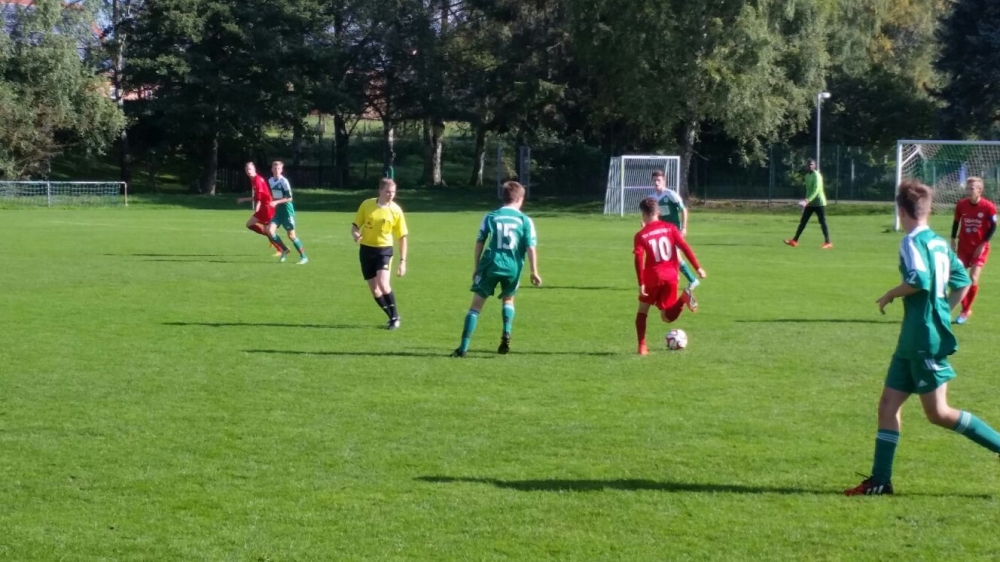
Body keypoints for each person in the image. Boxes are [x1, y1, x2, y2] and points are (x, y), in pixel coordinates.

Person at [845, 180, 1000, 496]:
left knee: (939, 413)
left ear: (901, 212)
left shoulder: (911, 241)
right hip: (911, 339)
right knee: (888, 404)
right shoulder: (939, 243)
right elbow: (963, 281)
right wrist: (942, 311)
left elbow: (919, 279)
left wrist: (891, 293)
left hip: (923, 339)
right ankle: (880, 480)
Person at [450, 181, 541, 357]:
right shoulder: (525, 220)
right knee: (508, 300)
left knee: (476, 306)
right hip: (513, 266)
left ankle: (463, 348)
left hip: (491, 264)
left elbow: (480, 242)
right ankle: (506, 331)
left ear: (503, 197)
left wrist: (476, 266)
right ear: (520, 199)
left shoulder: (491, 216)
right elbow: (531, 247)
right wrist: (534, 271)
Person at [633, 197, 706, 356]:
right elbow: (684, 247)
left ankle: (642, 347)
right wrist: (698, 267)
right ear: (658, 212)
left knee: (643, 311)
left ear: (643, 214)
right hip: (671, 276)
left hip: (652, 277)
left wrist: (641, 282)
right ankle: (683, 298)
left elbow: (638, 258)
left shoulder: (641, 235)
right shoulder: (670, 228)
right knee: (666, 317)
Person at [352, 178, 407, 329]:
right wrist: (355, 234)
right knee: (375, 290)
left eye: (393, 192)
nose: (391, 195)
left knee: (383, 283)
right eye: (388, 192)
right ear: (380, 190)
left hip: (384, 249)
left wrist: (402, 261)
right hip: (366, 249)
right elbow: (355, 226)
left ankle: (395, 317)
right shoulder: (367, 205)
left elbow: (402, 237)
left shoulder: (396, 210)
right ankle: (392, 316)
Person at [951, 176, 996, 324]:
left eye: (972, 188)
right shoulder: (961, 204)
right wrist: (952, 240)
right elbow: (956, 222)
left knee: (973, 278)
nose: (968, 190)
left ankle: (965, 311)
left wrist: (983, 244)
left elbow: (993, 226)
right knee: (959, 278)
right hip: (963, 246)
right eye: (967, 188)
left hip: (979, 247)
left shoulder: (988, 207)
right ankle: (964, 308)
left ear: (979, 190)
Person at [650, 170, 699, 290]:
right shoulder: (652, 198)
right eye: (654, 180)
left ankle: (692, 280)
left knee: (675, 256)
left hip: (674, 231)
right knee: (669, 256)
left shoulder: (671, 194)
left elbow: (683, 210)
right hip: (663, 232)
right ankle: (677, 278)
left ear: (664, 181)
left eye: (659, 180)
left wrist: (684, 227)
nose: (656, 182)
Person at [237, 162, 290, 260]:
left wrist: (256, 207)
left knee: (267, 231)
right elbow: (258, 196)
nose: (248, 171)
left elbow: (259, 198)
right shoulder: (253, 180)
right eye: (247, 170)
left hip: (267, 207)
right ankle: (277, 243)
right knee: (251, 225)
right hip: (263, 207)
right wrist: (244, 200)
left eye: (250, 169)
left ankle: (281, 249)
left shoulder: (258, 180)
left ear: (254, 169)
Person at [784, 159, 832, 249]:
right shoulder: (807, 176)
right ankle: (794, 241)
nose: (810, 166)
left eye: (812, 164)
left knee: (822, 222)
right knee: (803, 222)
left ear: (815, 166)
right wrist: (805, 202)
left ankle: (828, 242)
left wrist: (807, 200)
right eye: (809, 164)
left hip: (819, 202)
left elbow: (816, 190)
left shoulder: (817, 175)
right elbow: (809, 190)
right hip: (810, 203)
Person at [267, 161, 309, 265]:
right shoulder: (270, 180)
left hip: (287, 212)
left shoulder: (284, 181)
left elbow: (290, 198)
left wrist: (276, 202)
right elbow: (275, 195)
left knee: (291, 236)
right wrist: (271, 202)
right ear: (272, 169)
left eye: (278, 169)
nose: (276, 170)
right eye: (275, 168)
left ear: (281, 170)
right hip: (278, 212)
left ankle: (304, 257)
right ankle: (284, 249)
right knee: (270, 231)